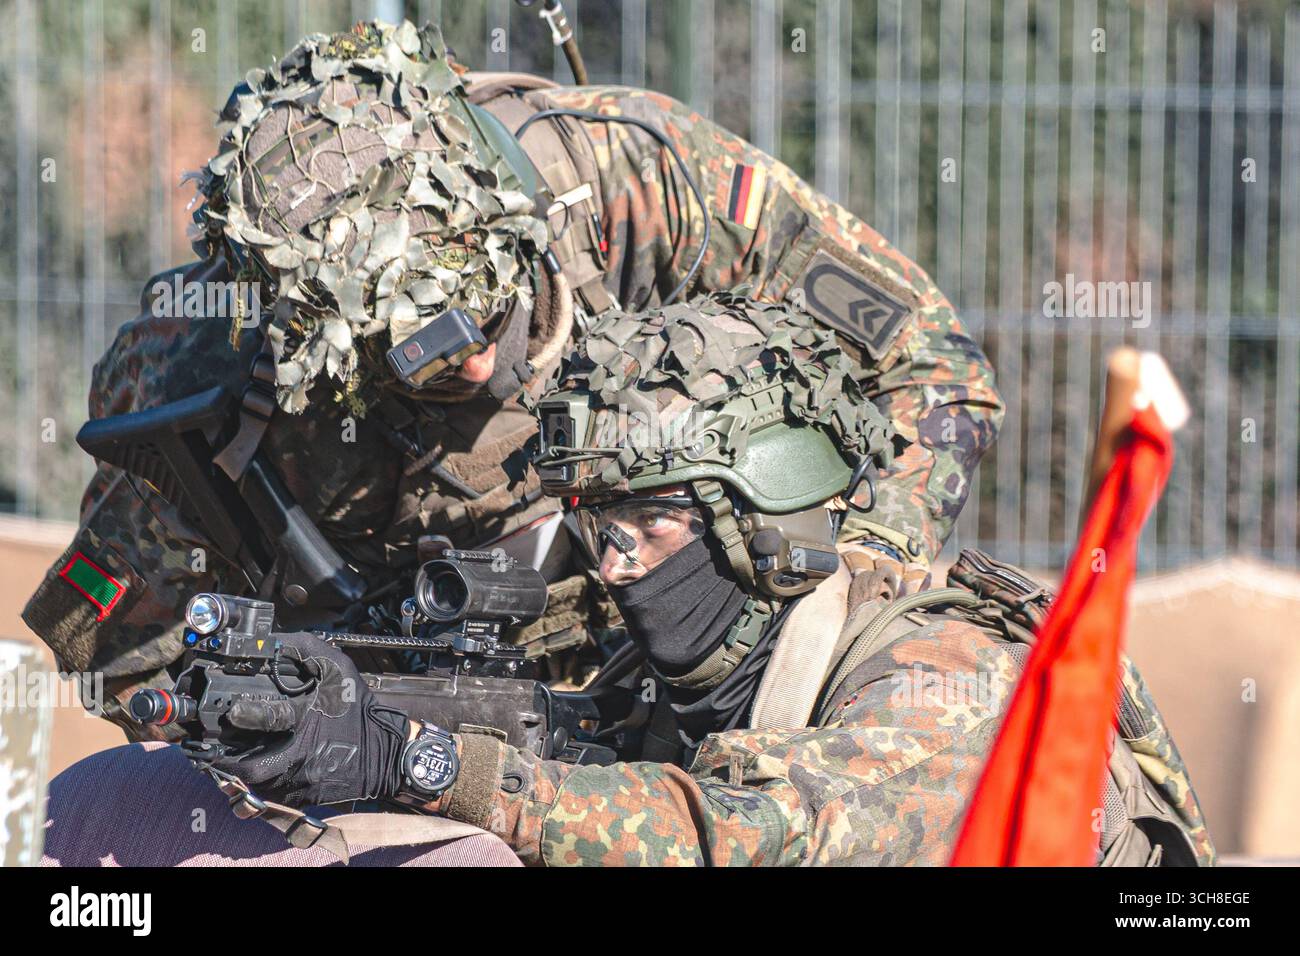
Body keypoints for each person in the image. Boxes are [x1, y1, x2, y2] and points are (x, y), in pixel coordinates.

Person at [22, 19, 1003, 743]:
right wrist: (269, 720)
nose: (477, 363)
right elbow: (108, 641)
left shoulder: (622, 177)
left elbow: (928, 358)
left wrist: (857, 574)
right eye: (415, 355)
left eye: (484, 311)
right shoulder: (214, 367)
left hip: (712, 641)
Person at [178, 293, 1021, 867]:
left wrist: (417, 764)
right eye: (596, 527)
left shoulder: (939, 674)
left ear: (765, 517)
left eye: (651, 526)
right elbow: (574, 738)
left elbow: (739, 837)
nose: (615, 566)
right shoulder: (688, 667)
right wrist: (350, 715)